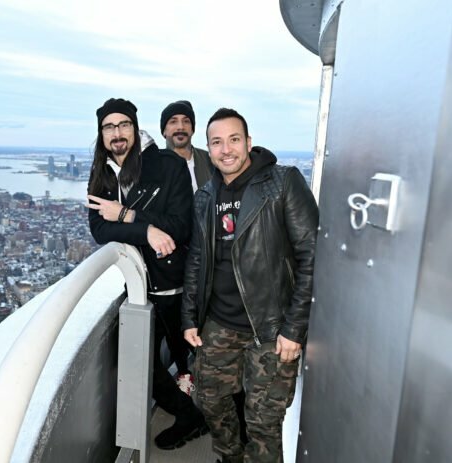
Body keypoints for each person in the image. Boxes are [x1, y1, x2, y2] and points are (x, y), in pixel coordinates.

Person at [181, 108, 319, 463]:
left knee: (263, 422)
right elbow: (197, 258)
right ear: (208, 149)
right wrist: (189, 318)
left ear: (249, 142)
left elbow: (313, 256)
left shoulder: (282, 182)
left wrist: (294, 328)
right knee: (209, 399)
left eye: (234, 139)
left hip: (271, 329)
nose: (226, 149)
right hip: (219, 323)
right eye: (217, 142)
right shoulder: (206, 196)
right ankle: (230, 456)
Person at [87, 97, 208, 450]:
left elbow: (180, 228)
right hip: (138, 285)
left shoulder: (167, 167)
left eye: (123, 125)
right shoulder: (102, 174)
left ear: (135, 129)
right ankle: (190, 416)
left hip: (173, 283)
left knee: (196, 356)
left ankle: (210, 421)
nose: (117, 133)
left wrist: (126, 216)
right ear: (101, 134)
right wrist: (147, 232)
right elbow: (99, 229)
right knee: (144, 364)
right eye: (109, 127)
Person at [161, 100, 249, 444]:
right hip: (174, 269)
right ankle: (194, 412)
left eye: (186, 121)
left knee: (224, 354)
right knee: (185, 345)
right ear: (165, 129)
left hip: (218, 270)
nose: (179, 127)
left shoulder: (209, 160)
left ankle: (233, 421)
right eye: (173, 122)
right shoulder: (156, 166)